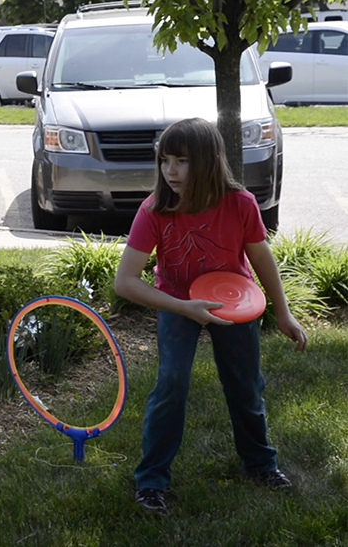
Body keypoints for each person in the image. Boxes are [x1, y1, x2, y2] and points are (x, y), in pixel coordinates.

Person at [114, 117, 308, 515]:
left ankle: (261, 464)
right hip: (177, 302)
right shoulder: (155, 210)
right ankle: (151, 481)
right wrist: (184, 308)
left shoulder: (239, 204)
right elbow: (125, 282)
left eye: (181, 161)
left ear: (207, 161)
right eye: (165, 160)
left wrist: (283, 313)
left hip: (233, 302)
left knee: (245, 386)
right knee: (171, 383)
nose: (170, 171)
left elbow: (260, 258)